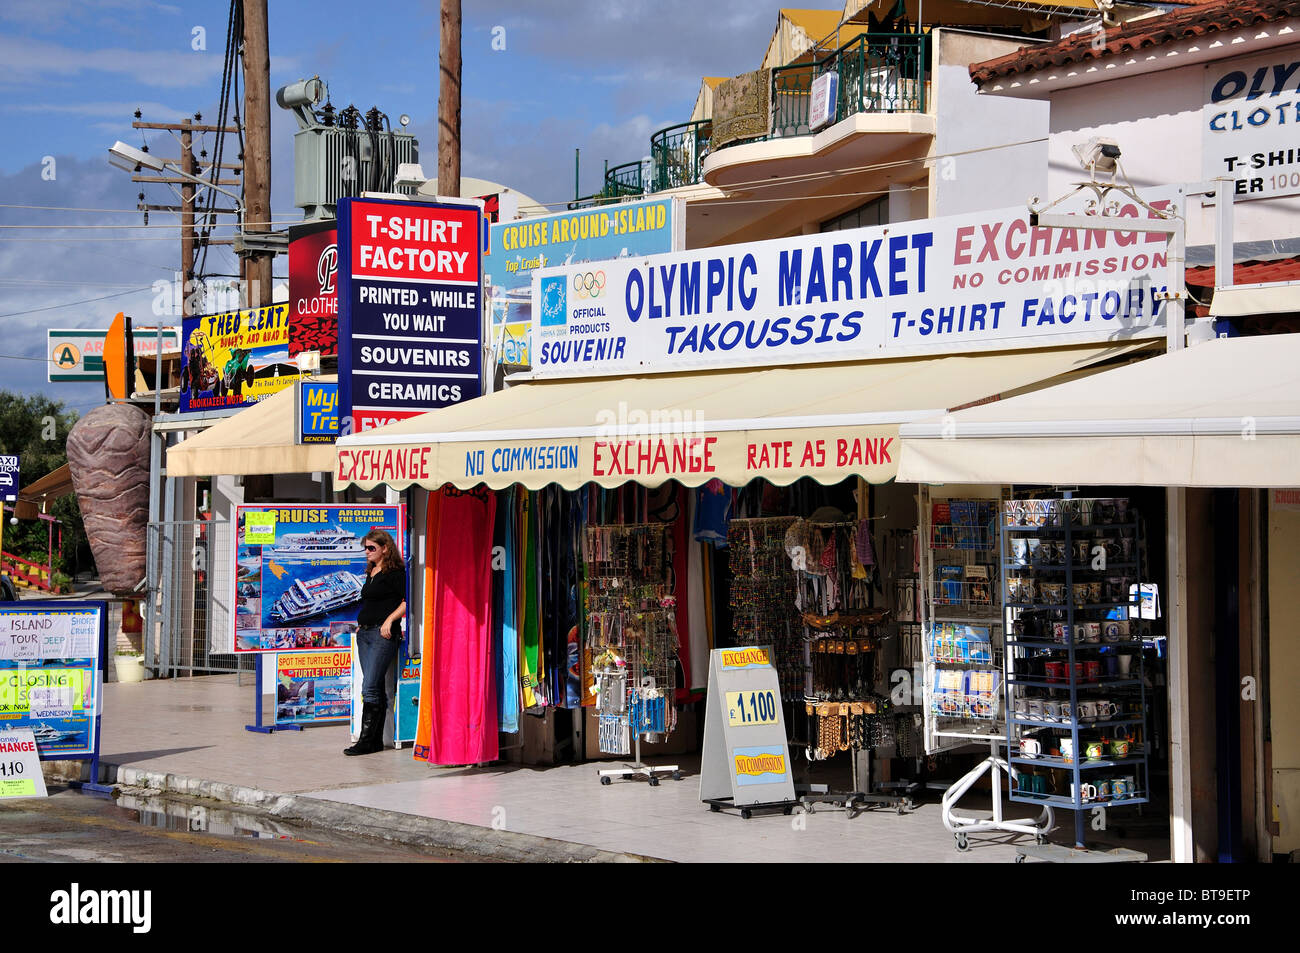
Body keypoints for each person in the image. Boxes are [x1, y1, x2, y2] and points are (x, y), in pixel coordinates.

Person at [344, 529, 406, 756]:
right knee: (375, 686)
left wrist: (389, 620)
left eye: (371, 548)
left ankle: (366, 740)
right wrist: (362, 624)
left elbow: (408, 601)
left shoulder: (395, 572)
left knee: (369, 686)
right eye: (366, 548)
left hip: (383, 635)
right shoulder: (372, 571)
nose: (367, 552)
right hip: (365, 634)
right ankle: (375, 741)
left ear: (385, 549)